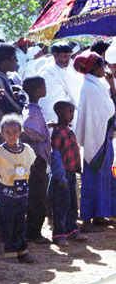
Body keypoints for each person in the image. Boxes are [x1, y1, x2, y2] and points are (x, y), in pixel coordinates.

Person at [74, 51, 116, 231]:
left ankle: (100, 214)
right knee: (92, 178)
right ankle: (87, 219)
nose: (105, 69)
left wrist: (111, 84)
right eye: (102, 65)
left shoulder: (97, 85)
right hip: (96, 138)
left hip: (103, 137)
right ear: (95, 67)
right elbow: (105, 112)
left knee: (104, 177)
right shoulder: (90, 88)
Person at [0, 114, 36, 263]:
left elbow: (31, 164)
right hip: (6, 194)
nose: (11, 136)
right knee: (7, 222)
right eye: (7, 132)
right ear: (1, 133)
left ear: (20, 132)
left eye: (14, 132)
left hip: (22, 194)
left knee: (20, 222)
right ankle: (10, 251)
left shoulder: (26, 149)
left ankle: (22, 250)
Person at [49, 101, 86, 246]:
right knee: (61, 205)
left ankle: (72, 229)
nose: (72, 115)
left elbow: (73, 152)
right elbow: (56, 156)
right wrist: (60, 176)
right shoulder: (58, 132)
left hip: (70, 173)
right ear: (59, 113)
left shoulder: (68, 130)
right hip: (62, 175)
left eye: (72, 112)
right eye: (69, 112)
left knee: (72, 204)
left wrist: (78, 169)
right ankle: (59, 234)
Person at [21, 76, 51, 244]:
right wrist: (40, 136)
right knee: (37, 196)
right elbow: (27, 127)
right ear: (37, 90)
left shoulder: (33, 108)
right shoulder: (32, 110)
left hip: (36, 159)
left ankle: (33, 231)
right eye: (43, 86)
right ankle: (34, 233)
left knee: (37, 195)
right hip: (37, 159)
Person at [0, 43, 25, 144]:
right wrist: (22, 102)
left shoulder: (5, 76)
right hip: (4, 132)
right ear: (5, 62)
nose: (17, 61)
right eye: (14, 59)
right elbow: (14, 107)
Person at [39, 43, 82, 125]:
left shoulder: (67, 70)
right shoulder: (46, 71)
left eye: (69, 56)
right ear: (55, 55)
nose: (68, 59)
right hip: (51, 115)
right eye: (65, 56)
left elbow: (76, 91)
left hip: (66, 115)